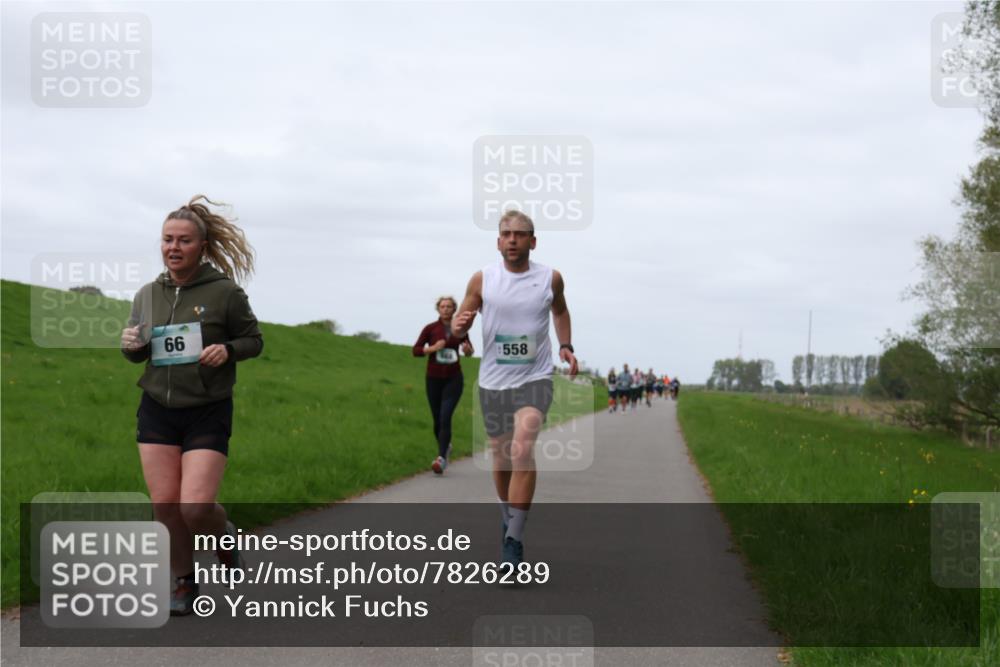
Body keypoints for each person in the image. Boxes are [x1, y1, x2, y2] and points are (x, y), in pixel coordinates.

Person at [121, 195, 263, 616]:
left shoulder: (225, 293)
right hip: (157, 408)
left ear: (201, 246)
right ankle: (184, 583)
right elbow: (136, 350)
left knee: (195, 507)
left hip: (207, 408)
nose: (173, 247)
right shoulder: (149, 293)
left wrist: (228, 349)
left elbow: (254, 340)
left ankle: (225, 537)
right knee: (165, 503)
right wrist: (131, 345)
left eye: (183, 240)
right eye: (167, 239)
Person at [451, 210, 577, 570]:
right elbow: (461, 329)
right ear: (497, 241)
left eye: (520, 234)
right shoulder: (482, 280)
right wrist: (460, 330)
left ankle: (513, 542)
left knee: (522, 446)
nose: (512, 239)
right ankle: (508, 515)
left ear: (532, 242)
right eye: (506, 233)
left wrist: (566, 344)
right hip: (493, 381)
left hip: (535, 378)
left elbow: (561, 311)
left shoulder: (550, 278)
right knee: (502, 455)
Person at [412, 296, 474, 474]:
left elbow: (468, 349)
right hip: (433, 379)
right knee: (437, 419)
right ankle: (446, 445)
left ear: (454, 309)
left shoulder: (460, 328)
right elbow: (415, 350)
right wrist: (431, 349)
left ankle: (441, 458)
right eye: (442, 306)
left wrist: (468, 351)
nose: (446, 309)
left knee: (445, 417)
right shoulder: (430, 329)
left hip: (454, 378)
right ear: (438, 309)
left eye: (449, 306)